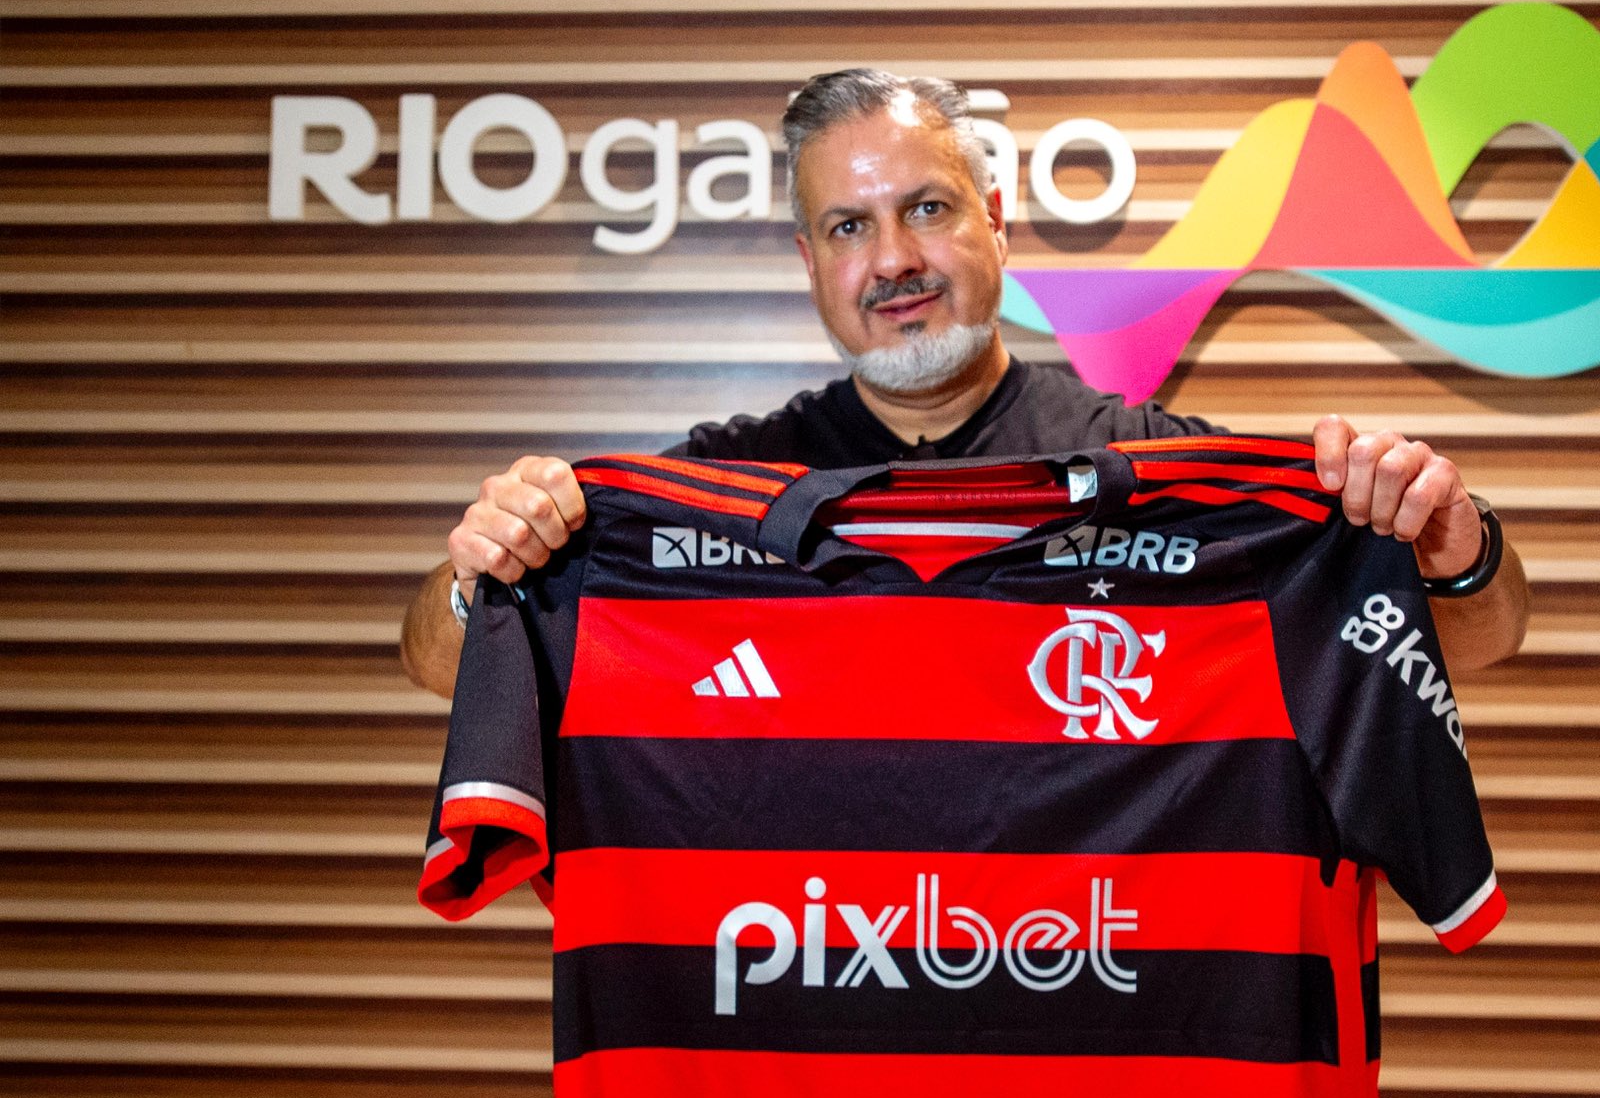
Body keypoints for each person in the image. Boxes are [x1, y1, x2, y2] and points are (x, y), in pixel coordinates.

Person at [400, 70, 1528, 696]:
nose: (891, 259)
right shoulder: (716, 488)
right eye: (849, 225)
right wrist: (481, 572)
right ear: (811, 266)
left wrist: (1447, 540)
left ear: (994, 223)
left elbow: (1478, 639)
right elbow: (438, 665)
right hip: (807, 1052)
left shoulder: (1154, 467)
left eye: (925, 210)